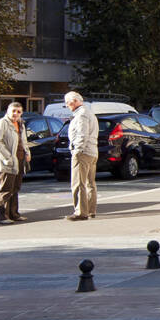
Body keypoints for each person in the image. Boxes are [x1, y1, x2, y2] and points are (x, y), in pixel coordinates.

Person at [0, 99, 28, 223]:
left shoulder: (21, 124)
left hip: (19, 161)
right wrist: (7, 157)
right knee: (5, 189)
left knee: (15, 189)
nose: (16, 114)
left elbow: (23, 141)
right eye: (13, 111)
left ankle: (14, 214)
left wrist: (27, 153)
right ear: (8, 111)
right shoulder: (2, 123)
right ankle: (2, 216)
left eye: (19, 112)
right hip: (7, 163)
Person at [65, 89, 98, 221]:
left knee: (78, 183)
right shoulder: (89, 113)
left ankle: (81, 212)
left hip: (83, 152)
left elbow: (82, 134)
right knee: (90, 183)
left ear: (74, 102)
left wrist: (77, 150)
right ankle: (90, 210)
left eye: (67, 103)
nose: (67, 106)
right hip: (92, 152)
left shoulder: (81, 115)